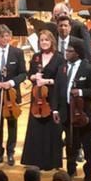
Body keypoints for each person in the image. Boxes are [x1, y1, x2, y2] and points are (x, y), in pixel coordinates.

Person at [21, 30, 65, 171]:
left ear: (52, 41)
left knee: (51, 128)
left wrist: (47, 80)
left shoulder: (59, 58)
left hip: (51, 97)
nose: (44, 42)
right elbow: (29, 74)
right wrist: (33, 77)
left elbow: (61, 79)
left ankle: (51, 161)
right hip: (37, 97)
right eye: (41, 40)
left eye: (46, 40)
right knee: (36, 128)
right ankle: (34, 160)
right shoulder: (36, 57)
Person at [61, 37, 91, 181]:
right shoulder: (63, 67)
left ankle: (88, 172)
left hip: (83, 114)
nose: (66, 53)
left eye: (70, 51)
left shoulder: (89, 68)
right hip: (68, 113)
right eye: (66, 50)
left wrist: (81, 92)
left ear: (77, 53)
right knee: (70, 143)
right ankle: (70, 171)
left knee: (88, 144)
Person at [0, 26, 25, 166]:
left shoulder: (18, 53)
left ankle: (10, 152)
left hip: (12, 95)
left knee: (12, 124)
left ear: (10, 37)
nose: (4, 39)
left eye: (7, 36)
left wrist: (11, 82)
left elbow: (23, 74)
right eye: (1, 36)